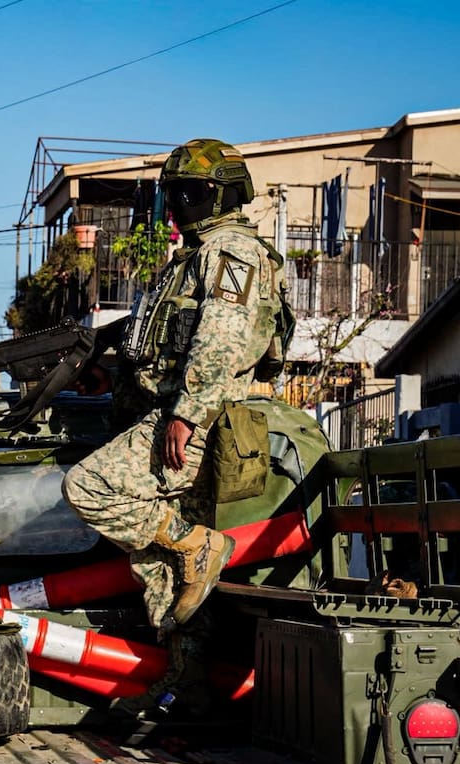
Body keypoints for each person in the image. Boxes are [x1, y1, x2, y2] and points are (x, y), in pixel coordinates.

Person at [61, 138, 287, 718]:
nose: (176, 206)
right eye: (172, 193)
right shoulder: (194, 256)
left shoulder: (231, 251)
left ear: (224, 193)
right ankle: (185, 690)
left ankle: (198, 544)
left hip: (201, 420)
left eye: (189, 193)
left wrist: (185, 414)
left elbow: (220, 340)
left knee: (90, 488)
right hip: (182, 416)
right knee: (165, 572)